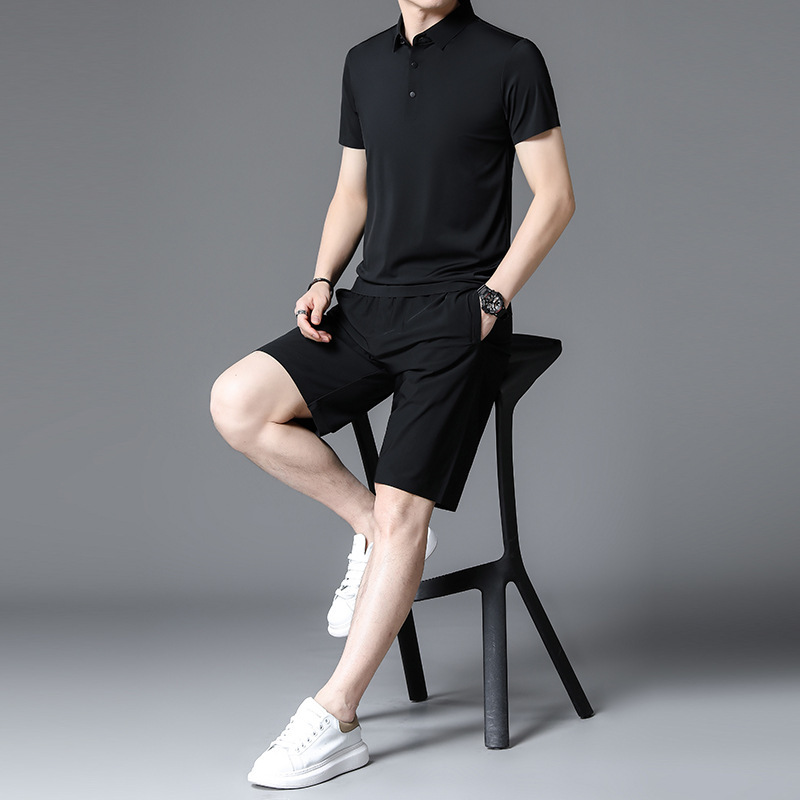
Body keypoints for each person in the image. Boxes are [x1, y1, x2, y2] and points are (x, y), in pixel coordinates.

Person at [209, 0, 574, 789]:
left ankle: (337, 715)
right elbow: (354, 192)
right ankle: (374, 532)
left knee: (409, 509)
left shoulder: (511, 58)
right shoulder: (364, 62)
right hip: (370, 306)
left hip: (459, 315)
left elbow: (554, 197)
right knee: (238, 401)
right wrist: (322, 278)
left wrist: (491, 302)